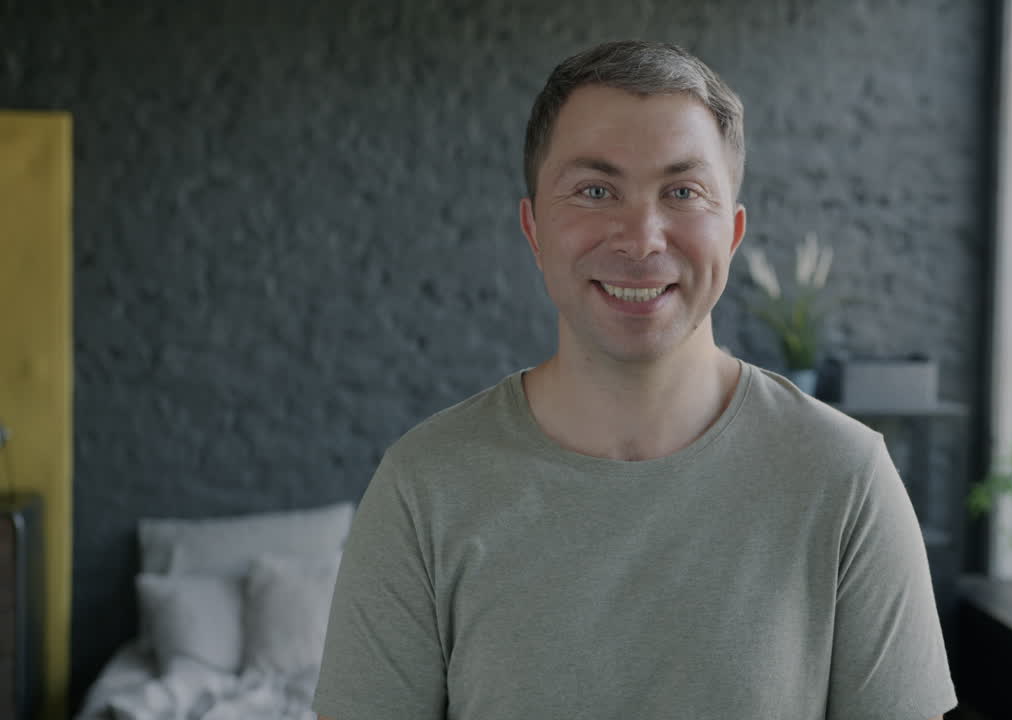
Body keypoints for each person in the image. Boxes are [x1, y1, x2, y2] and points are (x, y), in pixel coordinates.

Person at [313, 40, 955, 720]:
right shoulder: (424, 487)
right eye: (595, 191)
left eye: (682, 192)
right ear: (534, 230)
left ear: (732, 235)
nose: (643, 238)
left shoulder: (846, 478)